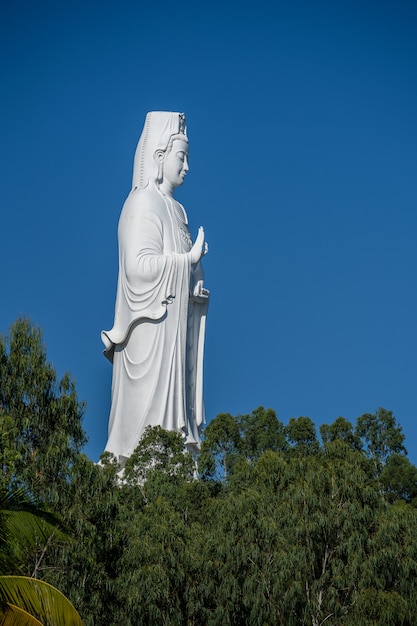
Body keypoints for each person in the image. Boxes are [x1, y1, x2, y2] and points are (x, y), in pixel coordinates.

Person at [102, 112, 209, 466]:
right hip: (149, 329)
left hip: (174, 333)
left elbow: (186, 269)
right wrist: (185, 262)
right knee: (141, 436)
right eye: (182, 157)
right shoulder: (141, 203)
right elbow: (137, 267)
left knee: (172, 434)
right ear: (160, 158)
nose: (188, 167)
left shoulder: (178, 212)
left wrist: (194, 292)